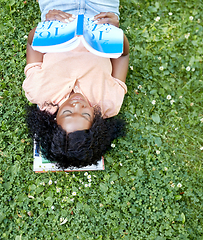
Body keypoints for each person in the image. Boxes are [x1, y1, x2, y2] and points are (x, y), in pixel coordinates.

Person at [23, 0, 129, 169]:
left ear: (53, 119)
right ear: (96, 124)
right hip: (100, 13)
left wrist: (45, 28)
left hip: (59, 11)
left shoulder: (38, 91)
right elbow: (122, 56)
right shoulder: (109, 103)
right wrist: (116, 33)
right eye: (86, 115)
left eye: (67, 112)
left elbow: (32, 44)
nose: (77, 105)